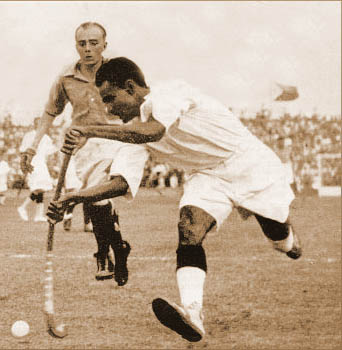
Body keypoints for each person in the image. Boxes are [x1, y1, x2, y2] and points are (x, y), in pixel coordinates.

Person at [56, 57, 302, 342]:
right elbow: (120, 183)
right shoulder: (133, 130)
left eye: (111, 99)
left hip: (250, 164)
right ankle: (193, 313)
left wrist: (90, 129)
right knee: (188, 229)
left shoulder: (169, 92)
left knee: (278, 235)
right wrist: (74, 197)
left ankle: (288, 242)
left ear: (130, 87)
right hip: (207, 176)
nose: (109, 109)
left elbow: (154, 130)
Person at [20, 22, 129, 284]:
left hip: (116, 140)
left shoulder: (119, 68)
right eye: (82, 43)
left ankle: (103, 254)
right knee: (95, 201)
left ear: (105, 44)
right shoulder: (66, 76)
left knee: (99, 195)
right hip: (84, 146)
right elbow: (50, 111)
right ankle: (118, 248)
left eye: (94, 42)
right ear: (76, 45)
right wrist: (33, 146)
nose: (88, 48)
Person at [18, 117, 57, 222]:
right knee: (39, 188)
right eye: (38, 123)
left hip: (41, 163)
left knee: (41, 189)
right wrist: (24, 164)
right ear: (35, 124)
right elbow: (23, 150)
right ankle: (23, 207)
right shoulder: (29, 136)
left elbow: (50, 152)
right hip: (34, 163)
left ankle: (38, 215)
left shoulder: (46, 137)